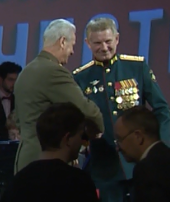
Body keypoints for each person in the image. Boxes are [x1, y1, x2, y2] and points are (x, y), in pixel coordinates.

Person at [73, 17, 170, 202]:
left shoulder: (136, 66)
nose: (104, 47)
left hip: (141, 158)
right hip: (105, 161)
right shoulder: (80, 77)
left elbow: (161, 110)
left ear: (117, 38)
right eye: (97, 43)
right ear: (87, 43)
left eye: (108, 41)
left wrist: (160, 149)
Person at [12, 19, 103, 173]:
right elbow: (86, 110)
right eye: (72, 45)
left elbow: (19, 120)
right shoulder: (53, 71)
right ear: (62, 42)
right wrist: (97, 130)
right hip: (48, 162)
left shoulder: (26, 72)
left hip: (26, 159)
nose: (72, 52)